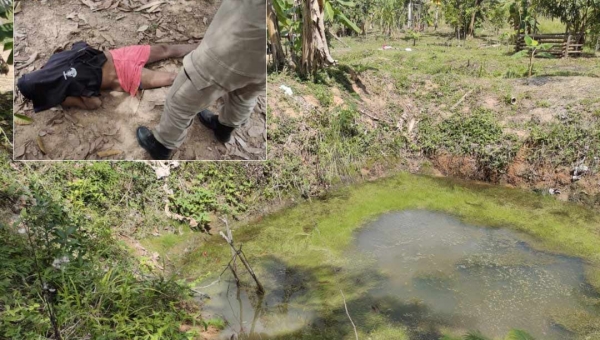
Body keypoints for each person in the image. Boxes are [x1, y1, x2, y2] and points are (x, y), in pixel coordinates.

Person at [136, 0, 266, 160]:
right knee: (246, 94)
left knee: (181, 100)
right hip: (267, 55)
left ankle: (161, 146)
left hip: (233, 46)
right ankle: (224, 129)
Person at [17, 42, 198, 112]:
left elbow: (94, 103)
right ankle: (207, 48)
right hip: (120, 60)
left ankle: (207, 53)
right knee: (167, 55)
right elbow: (81, 46)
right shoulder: (55, 61)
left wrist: (71, 100)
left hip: (122, 72)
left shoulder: (62, 93)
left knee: (170, 77)